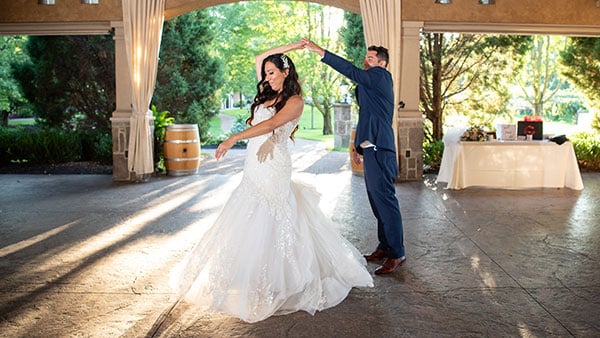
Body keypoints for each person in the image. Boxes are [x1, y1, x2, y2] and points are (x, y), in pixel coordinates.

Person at [170, 41, 373, 323]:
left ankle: (283, 278)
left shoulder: (296, 102)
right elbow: (259, 56)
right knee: (247, 214)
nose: (267, 77)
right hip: (254, 162)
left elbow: (270, 125)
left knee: (274, 214)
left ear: (285, 73)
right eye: (266, 73)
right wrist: (294, 46)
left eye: (272, 73)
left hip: (275, 164)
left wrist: (233, 137)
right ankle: (250, 275)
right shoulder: (266, 91)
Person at [302, 38, 406, 275]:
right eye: (366, 58)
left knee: (386, 202)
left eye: (371, 58)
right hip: (372, 149)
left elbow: (350, 71)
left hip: (381, 149)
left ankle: (397, 253)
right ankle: (385, 246)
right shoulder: (371, 83)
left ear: (382, 63)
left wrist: (321, 52)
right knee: (376, 202)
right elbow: (367, 116)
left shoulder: (380, 76)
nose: (366, 61)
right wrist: (360, 149)